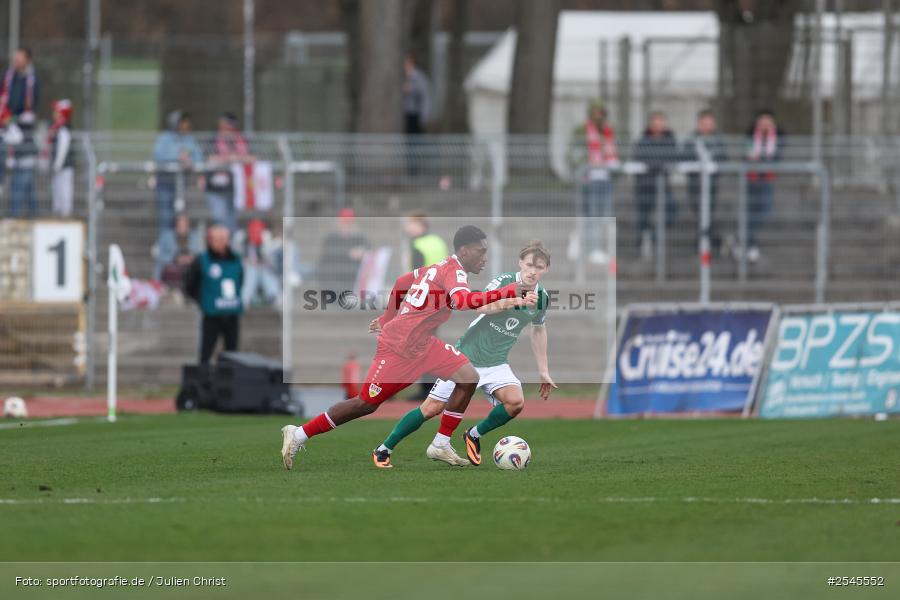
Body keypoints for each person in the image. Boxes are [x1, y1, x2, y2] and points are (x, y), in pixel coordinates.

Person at [279, 225, 538, 470]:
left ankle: (440, 444)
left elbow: (403, 281)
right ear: (464, 250)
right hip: (398, 347)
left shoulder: (439, 267)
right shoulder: (455, 272)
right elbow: (462, 301)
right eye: (481, 252)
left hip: (423, 344)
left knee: (468, 377)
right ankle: (299, 434)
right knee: (365, 403)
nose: (484, 258)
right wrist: (507, 291)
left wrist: (386, 318)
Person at [372, 241, 556, 468]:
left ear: (546, 269)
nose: (532, 271)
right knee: (431, 408)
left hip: (496, 362)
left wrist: (544, 371)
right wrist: (514, 301)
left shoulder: (542, 298)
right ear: (520, 263)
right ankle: (384, 448)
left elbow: (539, 330)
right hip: (467, 356)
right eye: (529, 265)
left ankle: (473, 435)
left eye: (539, 267)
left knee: (515, 402)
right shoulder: (505, 281)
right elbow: (481, 307)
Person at [403, 211, 449, 397]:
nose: (407, 227)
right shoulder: (438, 242)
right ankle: (431, 387)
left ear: (419, 225)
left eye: (410, 224)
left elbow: (417, 277)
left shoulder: (417, 245)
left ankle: (428, 389)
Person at [153, 110, 203, 280]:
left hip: (182, 188)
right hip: (167, 186)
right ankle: (164, 264)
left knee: (184, 223)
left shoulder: (189, 139)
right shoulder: (164, 139)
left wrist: (190, 160)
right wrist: (177, 157)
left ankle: (185, 263)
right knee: (166, 223)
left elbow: (198, 157)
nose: (185, 126)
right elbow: (159, 156)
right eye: (182, 122)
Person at [184, 225, 244, 364]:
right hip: (211, 314)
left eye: (224, 238)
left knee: (232, 354)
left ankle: (229, 377)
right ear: (210, 241)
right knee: (206, 352)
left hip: (231, 313)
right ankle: (202, 376)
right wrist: (202, 300)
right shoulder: (202, 260)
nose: (221, 242)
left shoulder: (236, 259)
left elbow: (240, 280)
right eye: (217, 239)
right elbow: (190, 283)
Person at [569, 100, 619, 265]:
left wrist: (614, 165)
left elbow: (616, 152)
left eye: (601, 113)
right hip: (588, 180)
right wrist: (586, 164)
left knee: (603, 215)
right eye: (595, 112)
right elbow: (574, 154)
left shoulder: (609, 132)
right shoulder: (582, 131)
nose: (598, 116)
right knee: (590, 214)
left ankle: (596, 247)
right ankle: (588, 247)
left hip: (605, 178)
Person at [633, 111, 679, 261]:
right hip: (644, 185)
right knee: (643, 217)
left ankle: (653, 237)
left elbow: (672, 158)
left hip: (663, 186)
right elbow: (640, 157)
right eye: (656, 121)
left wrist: (655, 164)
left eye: (661, 121)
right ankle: (642, 244)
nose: (658, 125)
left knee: (672, 210)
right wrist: (658, 164)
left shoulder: (670, 140)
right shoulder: (642, 140)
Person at [683, 109, 728, 254]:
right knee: (699, 214)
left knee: (707, 214)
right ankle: (709, 242)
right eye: (704, 123)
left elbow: (723, 158)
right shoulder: (691, 140)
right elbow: (684, 157)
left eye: (710, 123)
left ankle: (707, 242)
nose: (707, 126)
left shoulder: (718, 141)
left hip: (711, 185)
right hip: (695, 184)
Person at [745, 109, 784, 263]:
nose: (765, 124)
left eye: (768, 121)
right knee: (752, 212)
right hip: (752, 179)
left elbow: (778, 156)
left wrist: (761, 157)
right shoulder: (750, 137)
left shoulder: (780, 138)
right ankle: (751, 244)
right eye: (762, 121)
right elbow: (746, 154)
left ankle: (744, 239)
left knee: (764, 211)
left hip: (768, 179)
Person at [206, 112, 251, 234]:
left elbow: (254, 157)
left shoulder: (242, 139)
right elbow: (208, 158)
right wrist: (227, 159)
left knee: (233, 221)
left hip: (236, 188)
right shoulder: (213, 139)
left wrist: (238, 158)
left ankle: (230, 242)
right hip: (217, 188)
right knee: (220, 218)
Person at [315, 208, 369, 303]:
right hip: (334, 279)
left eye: (349, 223)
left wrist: (362, 253)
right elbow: (329, 256)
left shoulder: (359, 238)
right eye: (344, 223)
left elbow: (368, 249)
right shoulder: (331, 238)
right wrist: (349, 254)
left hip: (352, 278)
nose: (346, 226)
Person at [235, 218, 281, 309]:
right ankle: (245, 299)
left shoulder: (266, 241)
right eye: (253, 231)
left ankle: (274, 297)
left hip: (264, 272)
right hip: (247, 271)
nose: (255, 233)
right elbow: (238, 258)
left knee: (263, 272)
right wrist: (251, 263)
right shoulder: (242, 240)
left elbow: (270, 262)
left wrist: (265, 243)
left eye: (258, 231)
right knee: (252, 271)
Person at [44, 99, 75, 217]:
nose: (54, 113)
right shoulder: (57, 127)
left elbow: (62, 149)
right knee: (57, 188)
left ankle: (66, 212)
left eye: (56, 111)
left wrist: (57, 164)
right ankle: (58, 211)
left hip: (64, 166)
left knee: (65, 189)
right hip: (59, 166)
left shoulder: (63, 128)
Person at [403, 54, 431, 177]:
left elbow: (424, 97)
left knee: (417, 143)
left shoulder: (418, 78)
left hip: (417, 115)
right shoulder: (407, 78)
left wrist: (411, 89)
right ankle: (411, 169)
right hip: (409, 114)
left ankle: (418, 169)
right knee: (409, 143)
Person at [160, 213, 203, 293]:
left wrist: (191, 258)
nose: (182, 228)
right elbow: (161, 255)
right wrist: (176, 258)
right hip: (173, 272)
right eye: (179, 225)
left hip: (191, 270)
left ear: (188, 225)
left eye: (184, 225)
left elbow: (200, 253)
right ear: (176, 225)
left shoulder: (195, 237)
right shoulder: (166, 237)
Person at [7, 111, 38, 218]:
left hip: (23, 166)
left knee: (17, 189)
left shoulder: (23, 134)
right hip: (27, 165)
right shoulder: (30, 134)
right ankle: (33, 212)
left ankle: (14, 214)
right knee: (29, 191)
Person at [0, 48, 39, 118]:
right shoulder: (8, 75)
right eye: (16, 57)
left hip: (24, 117)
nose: (17, 60)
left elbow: (34, 100)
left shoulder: (32, 79)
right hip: (6, 115)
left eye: (20, 58)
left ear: (27, 60)